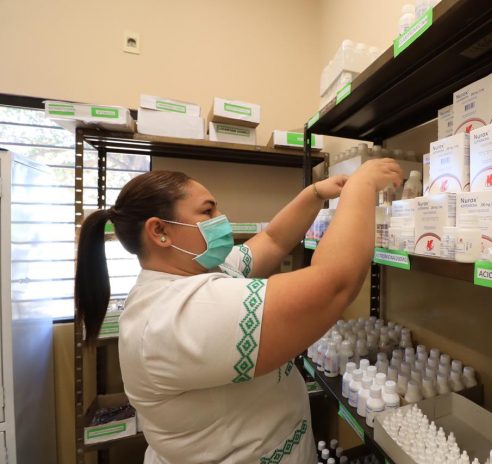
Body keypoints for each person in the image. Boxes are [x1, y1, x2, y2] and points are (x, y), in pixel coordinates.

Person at [74, 158, 403, 464]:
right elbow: (335, 284)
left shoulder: (200, 269)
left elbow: (272, 240)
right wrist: (363, 187)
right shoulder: (177, 315)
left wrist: (315, 193)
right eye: (207, 211)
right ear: (160, 231)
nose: (221, 219)